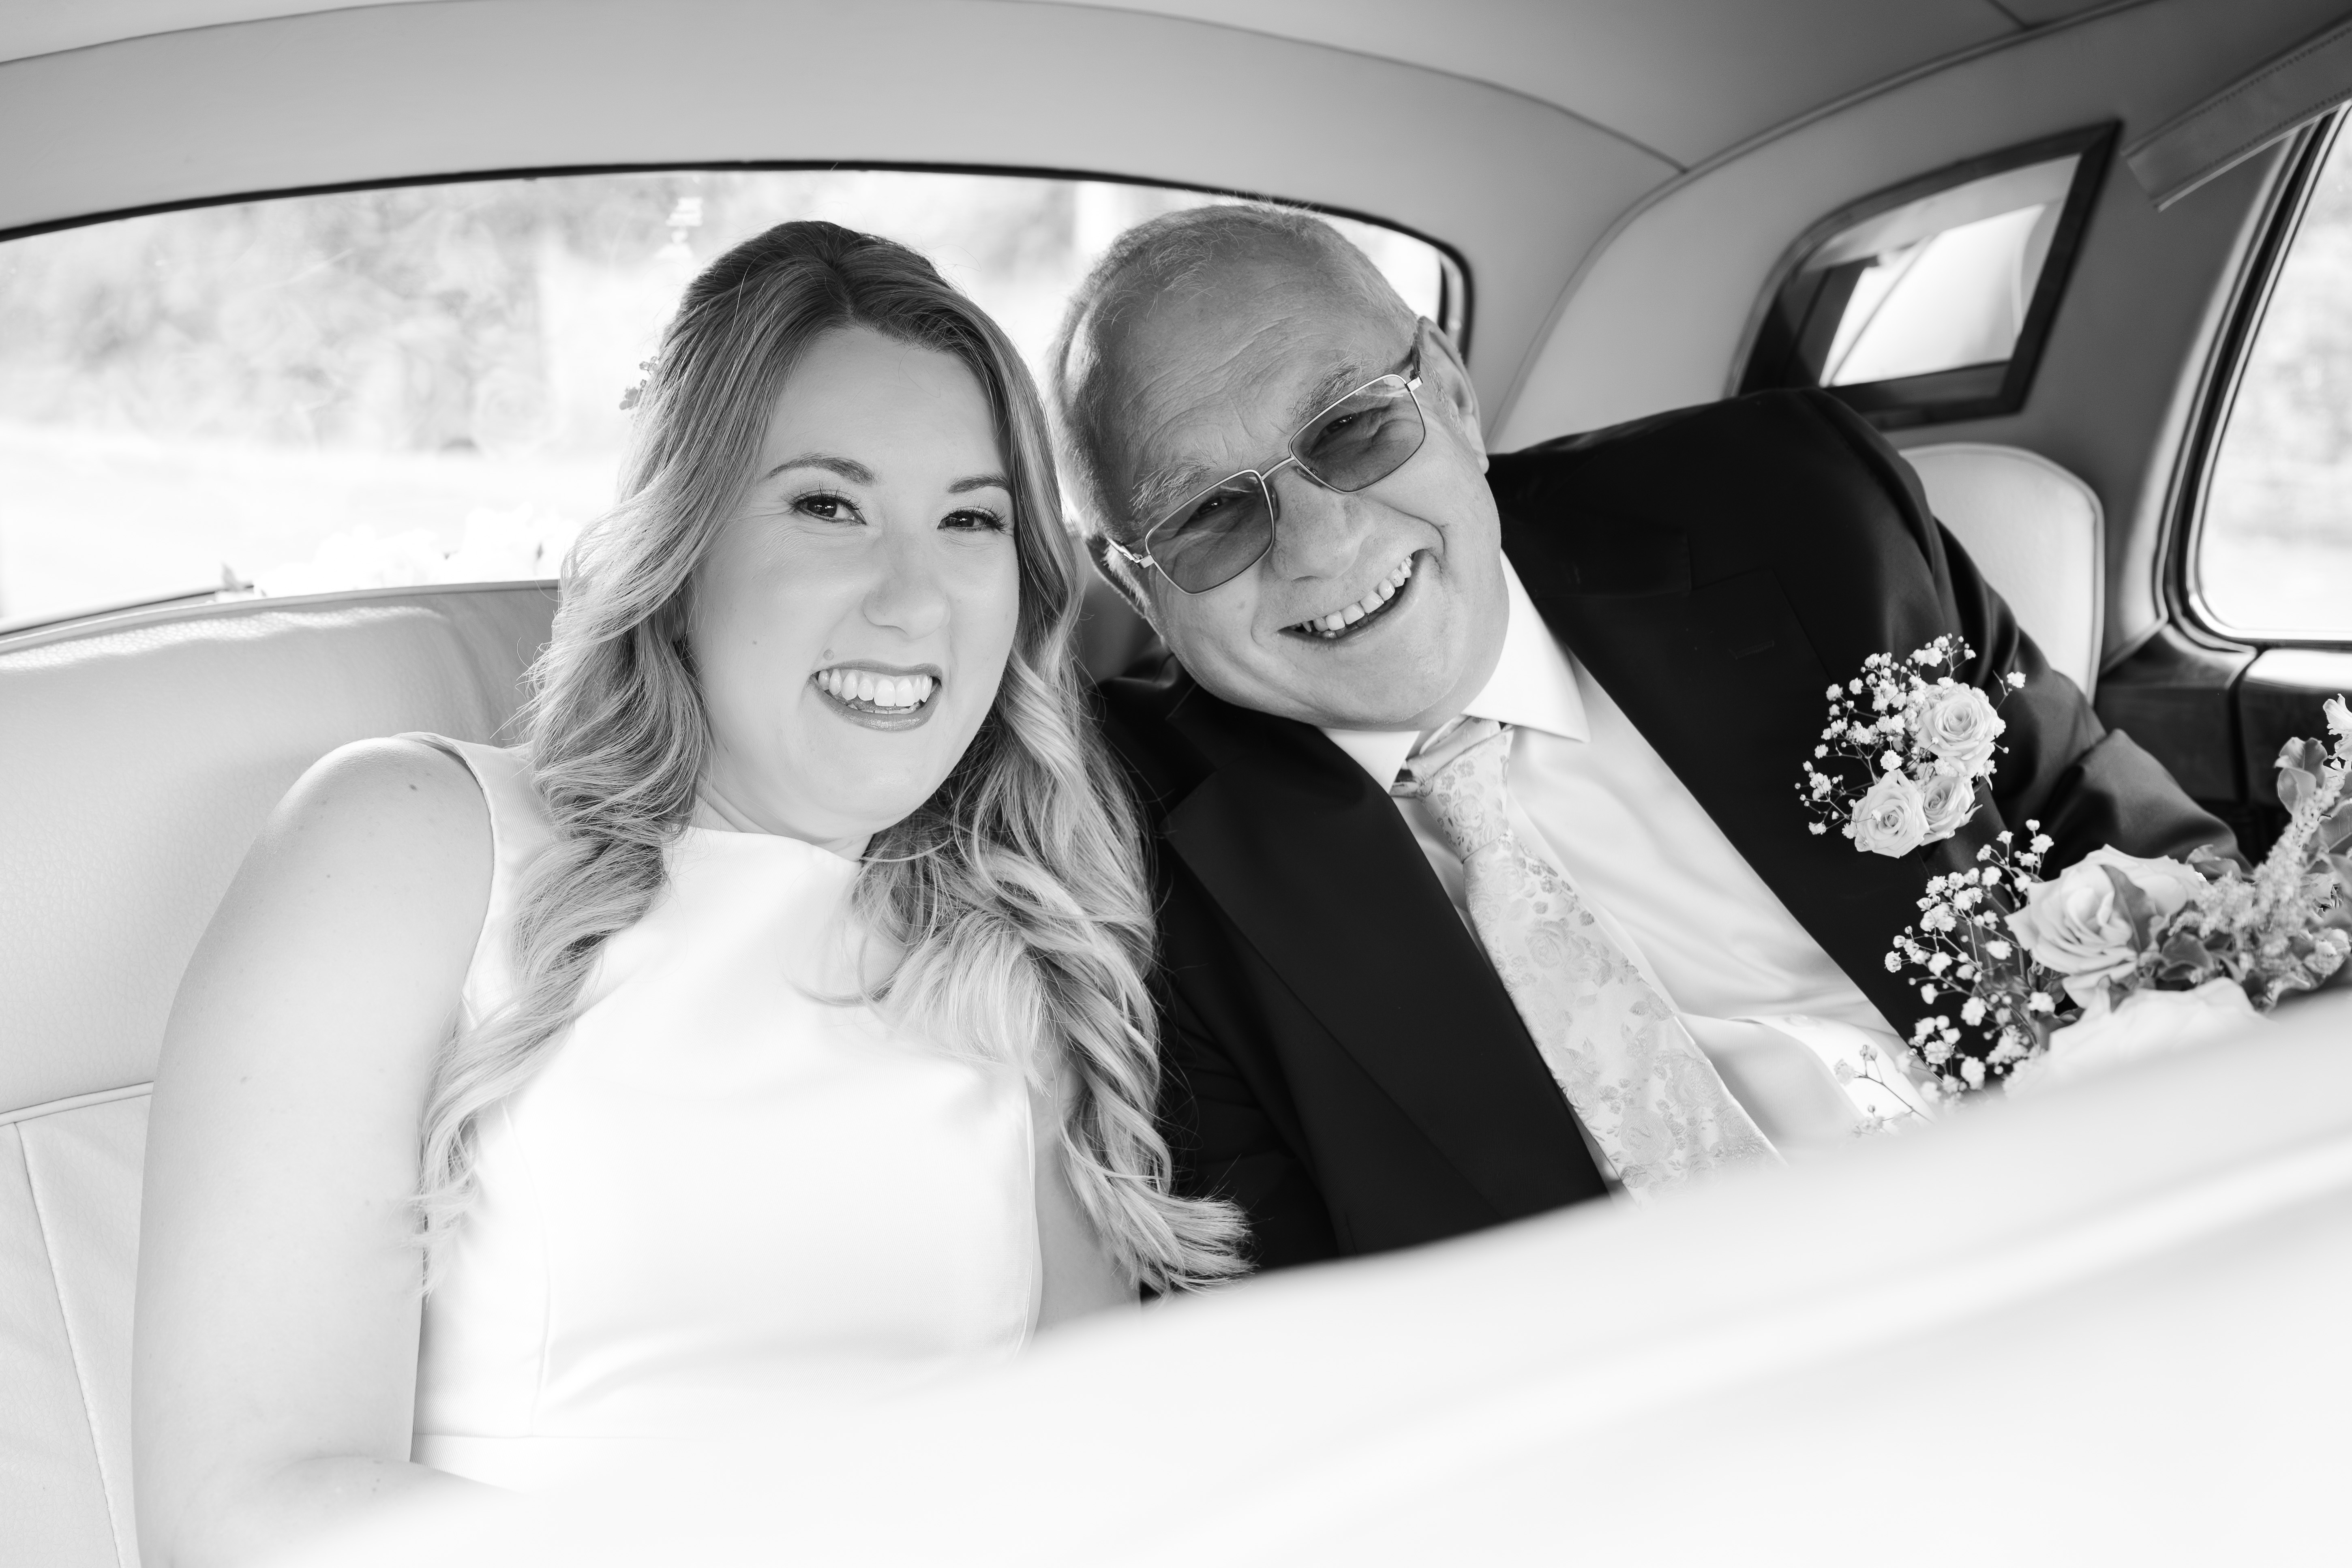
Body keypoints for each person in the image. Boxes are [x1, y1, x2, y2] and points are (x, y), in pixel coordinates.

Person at [133, 221, 1240, 1567]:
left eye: (969, 519)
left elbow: (1102, 1480)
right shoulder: (414, 843)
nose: (913, 599)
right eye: (828, 505)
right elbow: (247, 1511)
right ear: (686, 545)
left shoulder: (1012, 949)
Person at [1045, 204, 2236, 1270]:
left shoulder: (1790, 515)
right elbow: (1283, 1307)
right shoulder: (1118, 857)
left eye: (1353, 429)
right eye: (1206, 517)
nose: (1317, 545)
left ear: (1451, 391)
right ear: (1133, 584)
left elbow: (2136, 860)